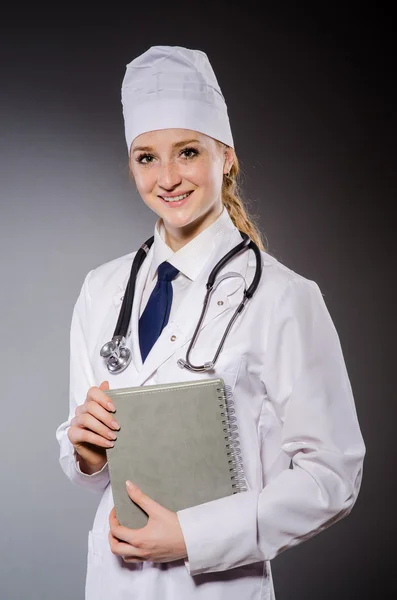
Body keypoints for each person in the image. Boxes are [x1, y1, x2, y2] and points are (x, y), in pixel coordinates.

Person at [56, 45, 365, 600]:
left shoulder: (284, 297)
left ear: (226, 157)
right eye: (146, 157)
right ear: (130, 164)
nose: (168, 177)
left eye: (188, 152)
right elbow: (95, 458)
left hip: (219, 587)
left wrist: (195, 537)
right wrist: (84, 450)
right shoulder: (101, 290)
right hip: (113, 583)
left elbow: (333, 477)